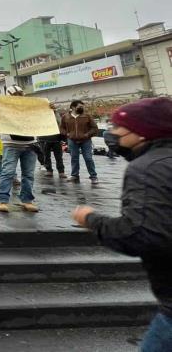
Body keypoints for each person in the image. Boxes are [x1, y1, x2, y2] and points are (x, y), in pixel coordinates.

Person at [72, 97, 172, 352]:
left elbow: (139, 234)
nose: (112, 133)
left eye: (118, 127)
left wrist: (90, 219)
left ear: (142, 132)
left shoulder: (148, 169)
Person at [0, 85, 46, 213]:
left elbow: (41, 118)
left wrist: (50, 110)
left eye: (20, 94)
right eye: (15, 95)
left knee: (29, 174)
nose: (18, 97)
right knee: (8, 172)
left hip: (30, 144)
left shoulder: (29, 107)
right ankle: (2, 201)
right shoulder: (1, 106)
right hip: (11, 144)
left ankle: (27, 201)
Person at [60, 100, 99, 184]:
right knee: (74, 158)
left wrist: (87, 134)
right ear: (73, 107)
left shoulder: (87, 116)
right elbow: (61, 128)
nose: (82, 108)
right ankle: (74, 175)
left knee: (88, 158)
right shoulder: (65, 117)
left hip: (86, 140)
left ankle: (93, 176)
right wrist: (67, 134)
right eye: (80, 107)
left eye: (82, 107)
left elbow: (94, 128)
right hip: (72, 140)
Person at [39, 108, 66, 178]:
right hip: (45, 139)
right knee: (46, 156)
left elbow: (60, 123)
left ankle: (61, 172)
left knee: (59, 157)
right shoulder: (42, 117)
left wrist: (55, 112)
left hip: (56, 139)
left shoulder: (56, 116)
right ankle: (49, 170)